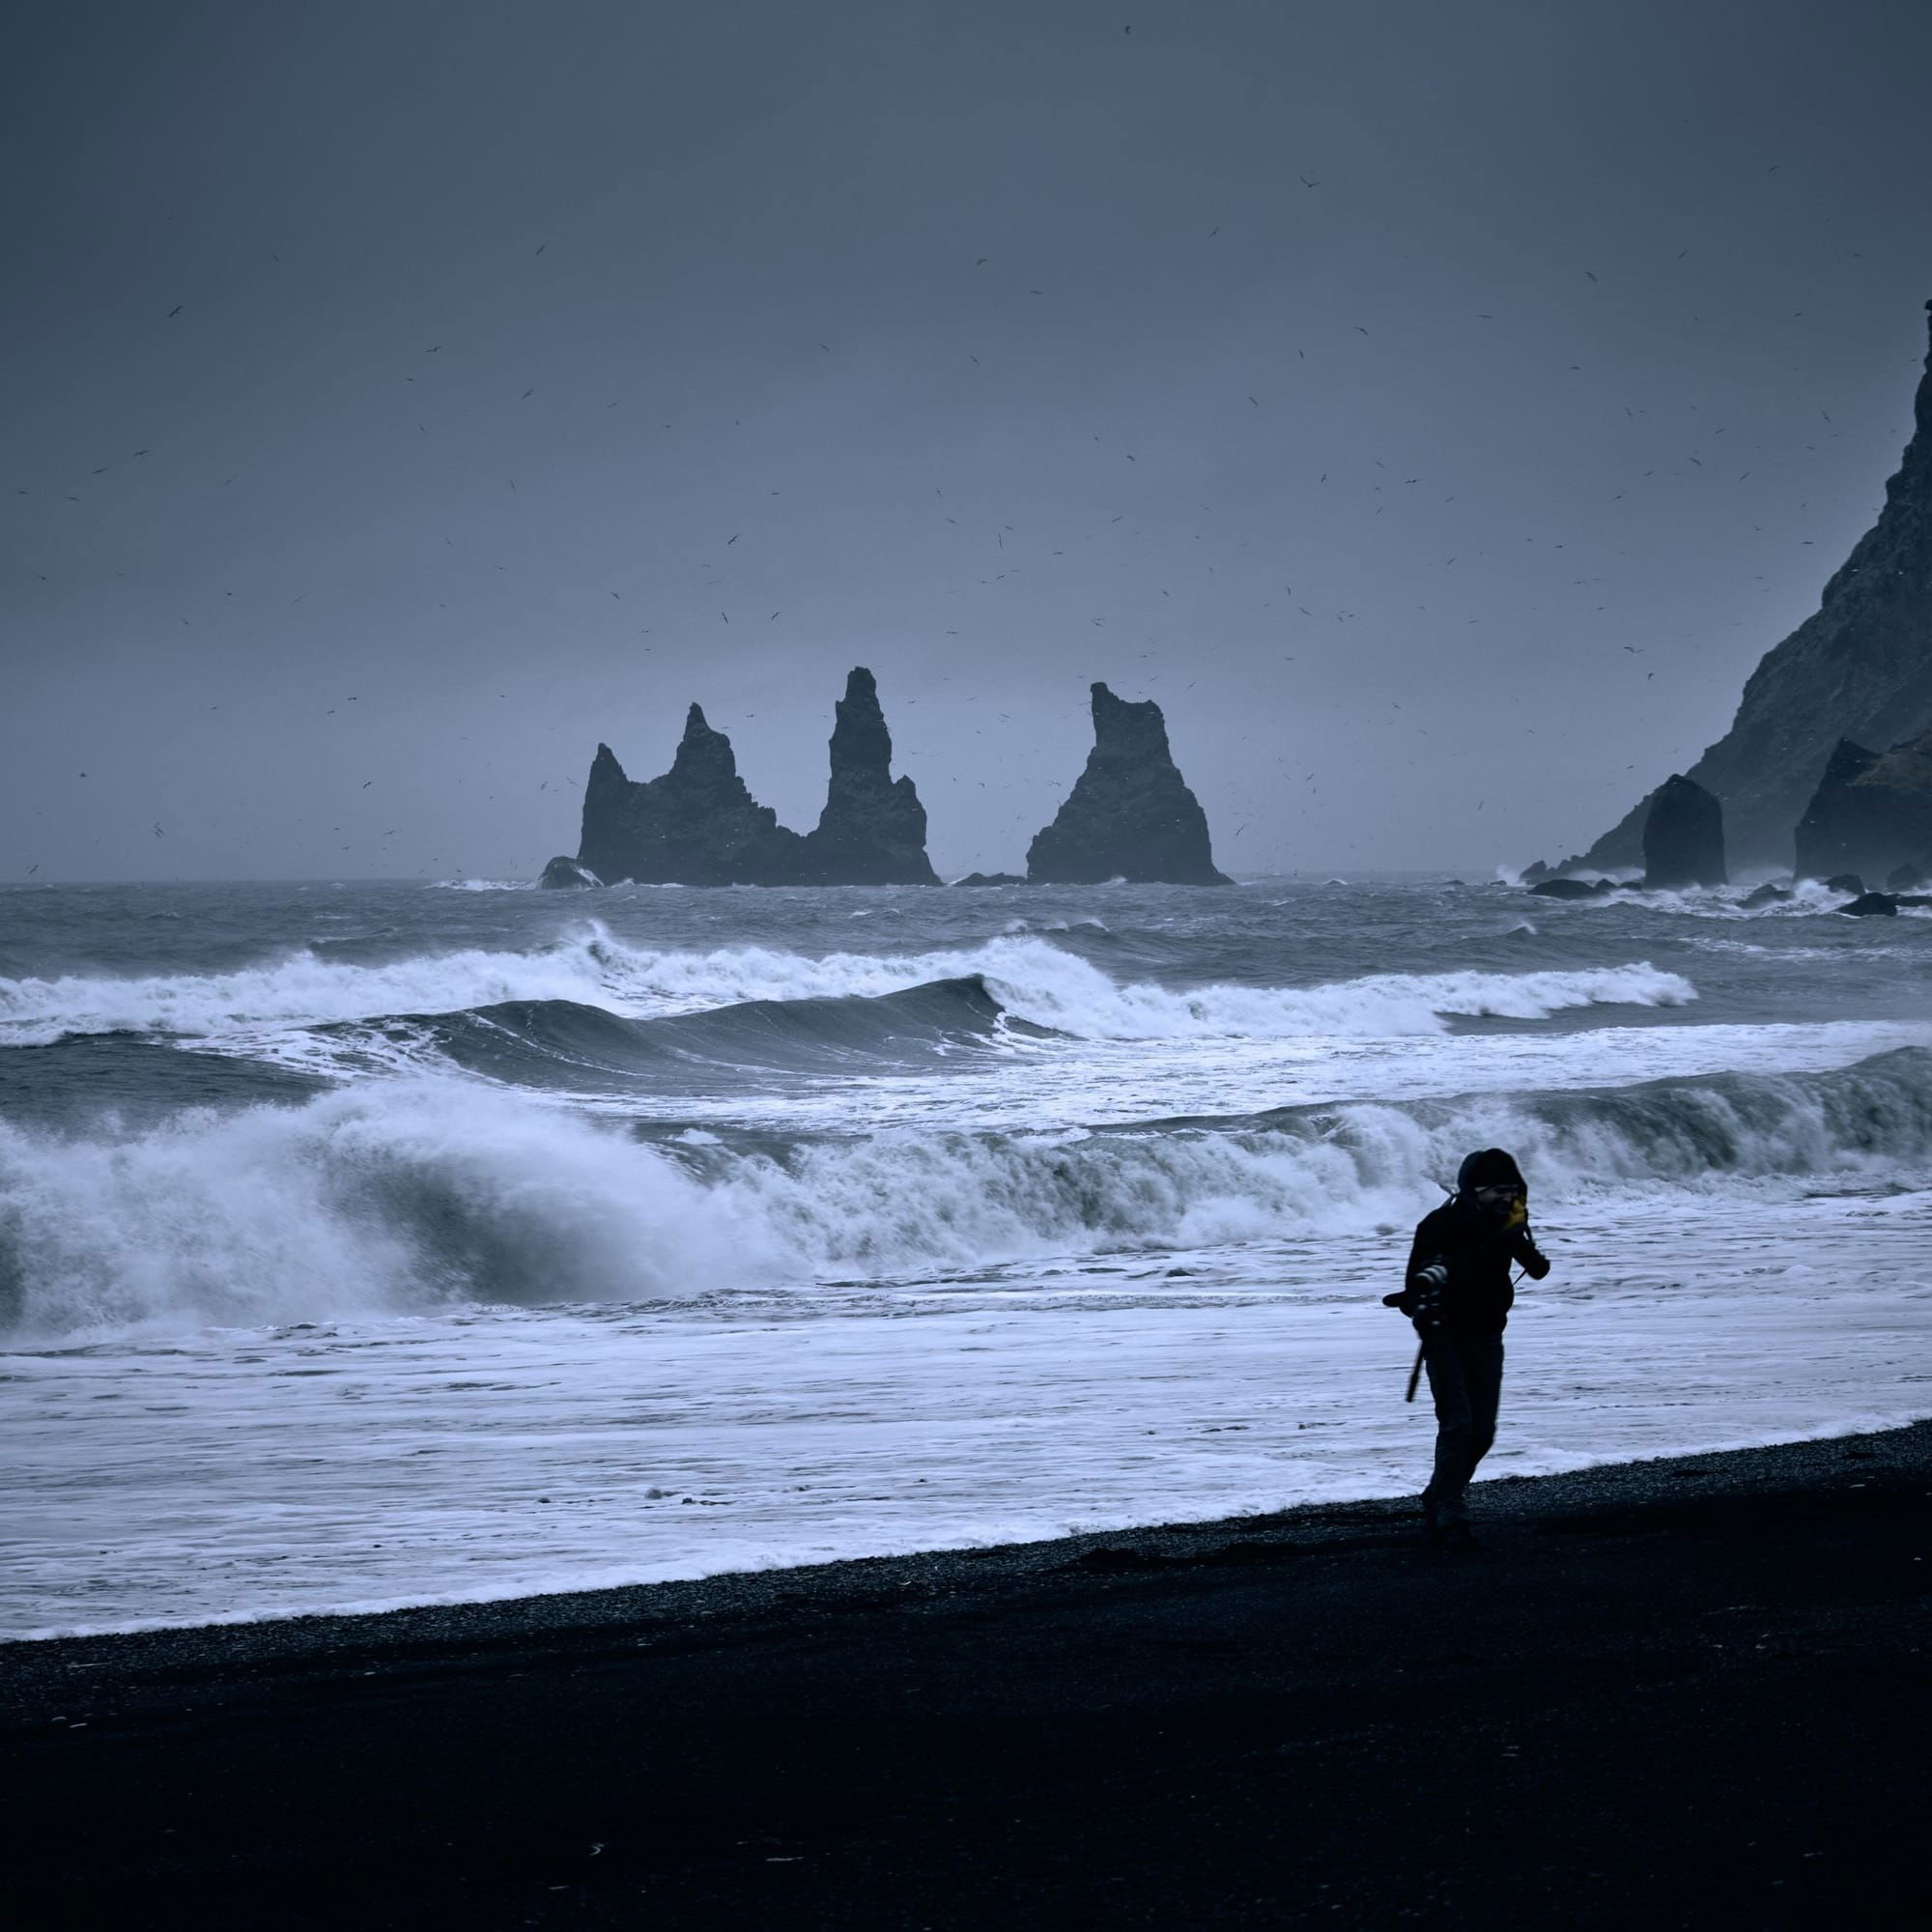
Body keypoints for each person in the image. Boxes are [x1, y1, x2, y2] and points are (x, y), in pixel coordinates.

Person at [1388, 1148, 1549, 1548]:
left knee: (1483, 1432)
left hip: (1488, 1333)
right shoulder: (1439, 1224)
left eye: (1513, 1189)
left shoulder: (1508, 1222)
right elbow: (1415, 1286)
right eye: (1498, 1190)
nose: (1507, 1197)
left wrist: (1517, 1232)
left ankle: (1440, 1492)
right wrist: (1422, 1312)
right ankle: (1450, 1508)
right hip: (1444, 1334)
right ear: (1474, 1190)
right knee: (1458, 1423)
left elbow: (1540, 1269)